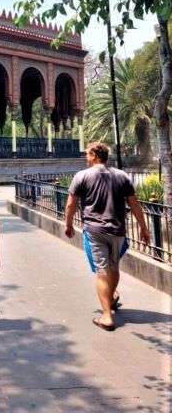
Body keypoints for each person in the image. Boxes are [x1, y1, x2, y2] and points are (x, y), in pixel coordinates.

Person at [65, 142, 150, 332]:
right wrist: (144, 228)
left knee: (102, 272)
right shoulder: (121, 175)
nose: (85, 157)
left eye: (87, 154)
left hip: (95, 231)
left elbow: (71, 204)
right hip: (118, 230)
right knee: (113, 268)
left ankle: (106, 316)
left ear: (95, 155)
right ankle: (110, 299)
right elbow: (135, 204)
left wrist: (68, 224)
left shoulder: (82, 176)